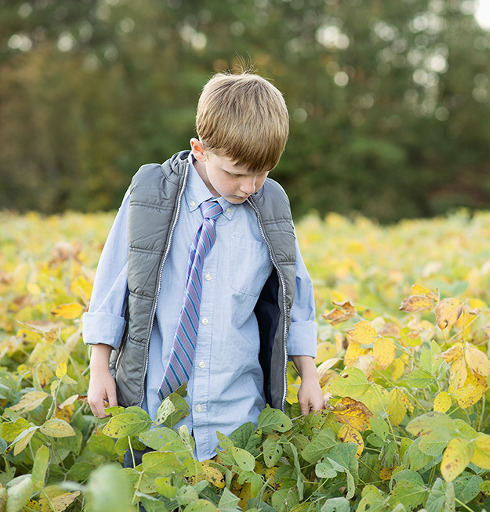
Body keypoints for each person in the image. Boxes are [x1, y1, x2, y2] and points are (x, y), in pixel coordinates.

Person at [83, 72, 324, 462]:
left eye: (262, 173)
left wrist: (308, 376)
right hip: (154, 416)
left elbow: (295, 294)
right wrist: (99, 368)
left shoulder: (271, 207)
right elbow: (113, 284)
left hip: (238, 418)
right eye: (236, 173)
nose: (249, 187)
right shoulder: (150, 195)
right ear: (199, 150)